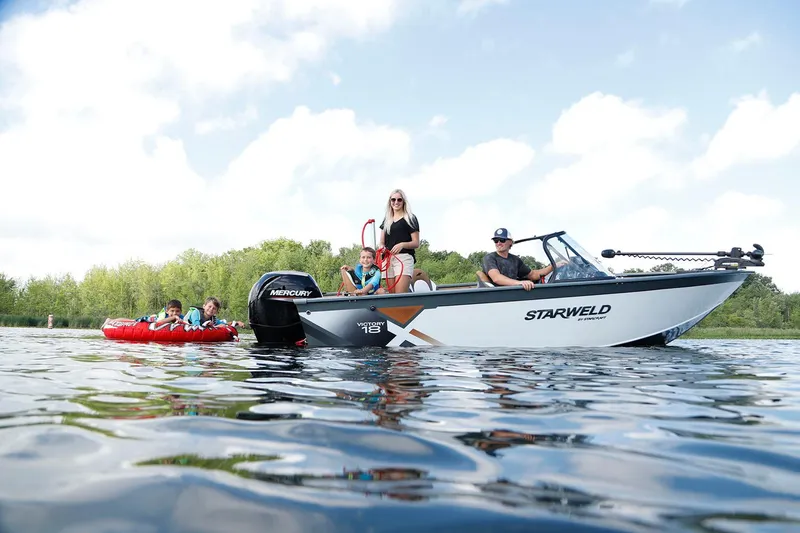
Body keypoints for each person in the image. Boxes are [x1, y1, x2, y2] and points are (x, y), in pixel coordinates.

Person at [481, 228, 554, 291]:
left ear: (510, 242)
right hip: (498, 295)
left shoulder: (515, 260)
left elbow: (532, 275)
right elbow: (496, 278)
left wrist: (553, 266)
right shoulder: (489, 258)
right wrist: (519, 283)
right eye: (496, 240)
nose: (498, 243)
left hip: (513, 294)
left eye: (502, 240)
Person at [378, 189, 420, 293]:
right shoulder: (387, 219)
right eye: (393, 199)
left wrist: (402, 245)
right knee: (392, 295)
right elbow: (381, 242)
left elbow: (416, 243)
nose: (396, 202)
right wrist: (382, 248)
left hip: (404, 257)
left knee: (400, 294)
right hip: (388, 259)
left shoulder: (410, 218)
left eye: (399, 200)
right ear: (390, 201)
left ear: (403, 201)